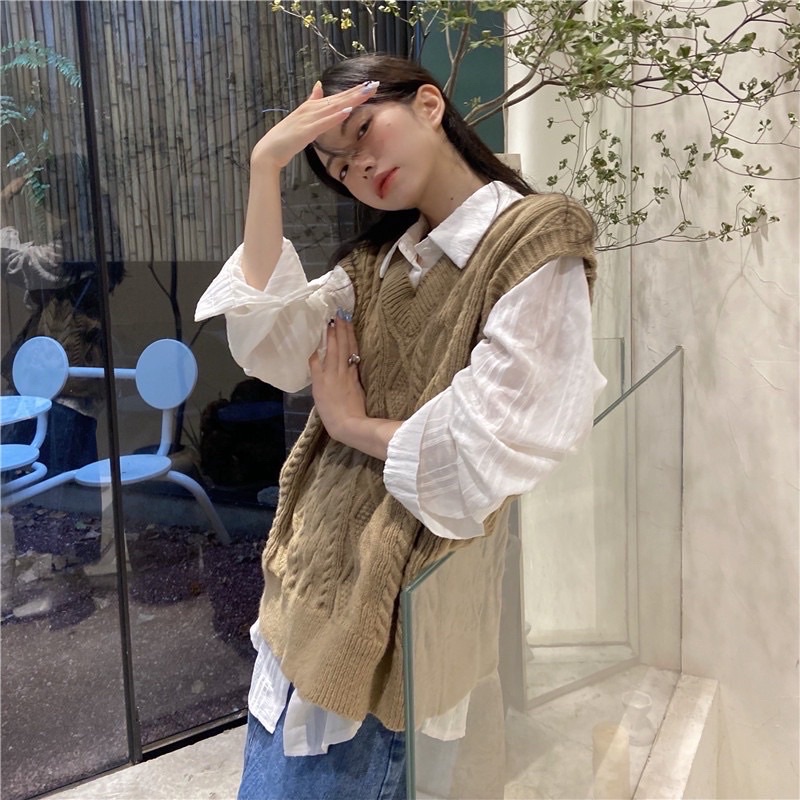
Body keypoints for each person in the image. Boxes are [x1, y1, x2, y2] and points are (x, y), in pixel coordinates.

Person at [195, 54, 605, 800]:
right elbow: (272, 345)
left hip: (390, 624)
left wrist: (351, 424)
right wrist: (264, 170)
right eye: (337, 166)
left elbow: (481, 449)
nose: (356, 166)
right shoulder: (375, 265)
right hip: (302, 597)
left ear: (428, 104)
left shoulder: (533, 241)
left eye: (361, 132)